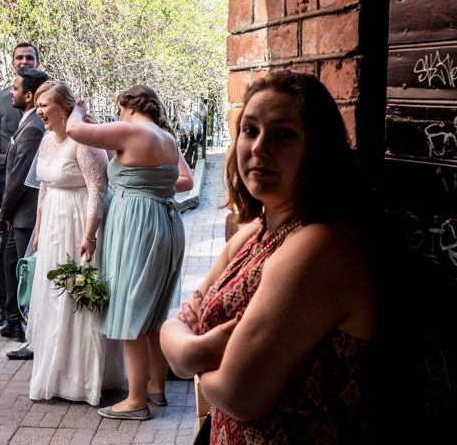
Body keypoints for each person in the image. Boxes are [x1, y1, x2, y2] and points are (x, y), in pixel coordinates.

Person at [160, 70, 376, 444]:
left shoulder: (319, 247)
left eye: (283, 133)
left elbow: (238, 395)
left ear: (318, 149)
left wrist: (193, 362)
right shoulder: (254, 232)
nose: (259, 147)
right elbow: (170, 335)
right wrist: (203, 351)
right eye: (250, 130)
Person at [66, 85, 193, 418]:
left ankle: (135, 402)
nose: (118, 115)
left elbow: (74, 130)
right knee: (154, 314)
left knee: (132, 310)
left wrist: (78, 110)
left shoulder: (131, 129)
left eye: (119, 109)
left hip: (138, 225)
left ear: (130, 107)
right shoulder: (167, 137)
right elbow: (175, 178)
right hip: (166, 221)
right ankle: (156, 390)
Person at [26, 80, 127, 403]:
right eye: (37, 105)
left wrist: (89, 235)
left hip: (78, 223)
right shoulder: (44, 140)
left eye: (44, 105)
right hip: (53, 224)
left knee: (78, 295)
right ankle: (54, 374)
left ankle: (84, 377)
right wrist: (39, 231)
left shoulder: (82, 140)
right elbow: (42, 187)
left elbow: (98, 187)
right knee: (53, 296)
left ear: (64, 108)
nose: (39, 110)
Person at [0, 43, 40, 329]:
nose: (24, 61)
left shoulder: (46, 98)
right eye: (19, 57)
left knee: (23, 249)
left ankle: (20, 308)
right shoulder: (0, 99)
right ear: (12, 61)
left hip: (32, 189)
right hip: (5, 185)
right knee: (1, 248)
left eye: (29, 57)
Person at [0, 67, 49, 355]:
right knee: (11, 268)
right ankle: (14, 323)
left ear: (28, 96)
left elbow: (18, 174)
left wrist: (5, 209)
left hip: (25, 215)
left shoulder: (34, 128)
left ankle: (32, 335)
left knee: (28, 275)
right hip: (19, 215)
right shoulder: (27, 121)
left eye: (15, 88)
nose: (10, 92)